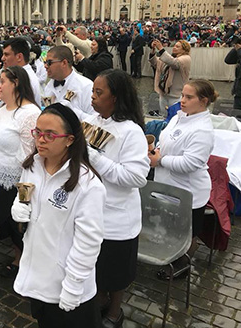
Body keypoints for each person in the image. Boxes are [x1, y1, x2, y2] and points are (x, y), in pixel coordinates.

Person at [12, 103, 105, 328]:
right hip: (37, 274)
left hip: (66, 282)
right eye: (38, 133)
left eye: (50, 135)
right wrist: (18, 206)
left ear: (70, 139)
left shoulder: (87, 185)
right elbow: (27, 197)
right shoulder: (32, 166)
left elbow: (88, 243)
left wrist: (73, 286)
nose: (41, 140)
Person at [85, 69, 149, 328]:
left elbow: (136, 178)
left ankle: (114, 312)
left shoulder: (130, 131)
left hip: (116, 217)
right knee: (96, 265)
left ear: (116, 97)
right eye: (93, 91)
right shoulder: (93, 120)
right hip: (91, 210)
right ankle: (99, 300)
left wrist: (94, 157)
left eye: (99, 93)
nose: (93, 97)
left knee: (116, 271)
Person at [148, 79, 217, 279]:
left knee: (184, 234)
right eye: (182, 95)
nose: (182, 100)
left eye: (188, 97)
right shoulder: (181, 117)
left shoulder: (202, 129)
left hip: (188, 191)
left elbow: (191, 163)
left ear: (203, 101)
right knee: (170, 228)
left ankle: (183, 263)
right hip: (168, 185)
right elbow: (166, 139)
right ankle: (171, 256)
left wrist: (161, 160)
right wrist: (157, 150)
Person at [0, 65, 41, 277]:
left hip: (17, 181)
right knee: (7, 221)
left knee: (20, 225)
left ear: (16, 84)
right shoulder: (0, 110)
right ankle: (18, 257)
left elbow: (29, 154)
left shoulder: (30, 113)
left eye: (2, 82)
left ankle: (29, 264)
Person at [43, 46, 95, 120]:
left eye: (49, 62)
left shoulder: (86, 86)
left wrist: (72, 112)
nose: (45, 66)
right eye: (45, 62)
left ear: (64, 63)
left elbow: (96, 121)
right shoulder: (48, 87)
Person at [0, 37, 42, 107]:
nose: (2, 58)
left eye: (6, 54)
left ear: (19, 57)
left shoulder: (26, 78)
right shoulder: (13, 74)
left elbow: (1, 104)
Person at [150, 39, 191, 115]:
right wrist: (153, 50)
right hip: (164, 94)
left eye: (178, 47)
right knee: (164, 116)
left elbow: (174, 63)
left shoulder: (186, 58)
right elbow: (156, 63)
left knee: (175, 118)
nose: (174, 48)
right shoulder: (170, 57)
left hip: (176, 96)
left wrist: (161, 49)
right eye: (174, 46)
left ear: (184, 50)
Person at [224, 38, 241, 109]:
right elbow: (228, 60)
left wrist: (239, 50)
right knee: (236, 115)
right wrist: (235, 49)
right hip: (239, 90)